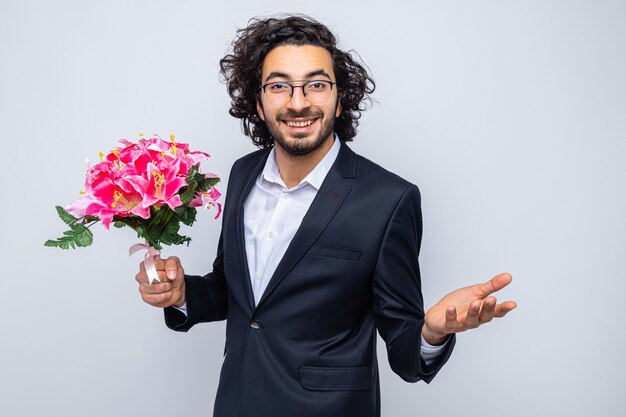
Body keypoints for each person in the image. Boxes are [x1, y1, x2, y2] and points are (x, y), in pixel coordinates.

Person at [135, 15, 517, 417]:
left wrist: (431, 333)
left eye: (316, 84)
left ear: (339, 98)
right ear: (259, 103)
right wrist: (181, 296)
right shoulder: (243, 173)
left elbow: (404, 347)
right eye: (279, 85)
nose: (298, 102)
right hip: (236, 403)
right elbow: (237, 290)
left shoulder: (388, 200)